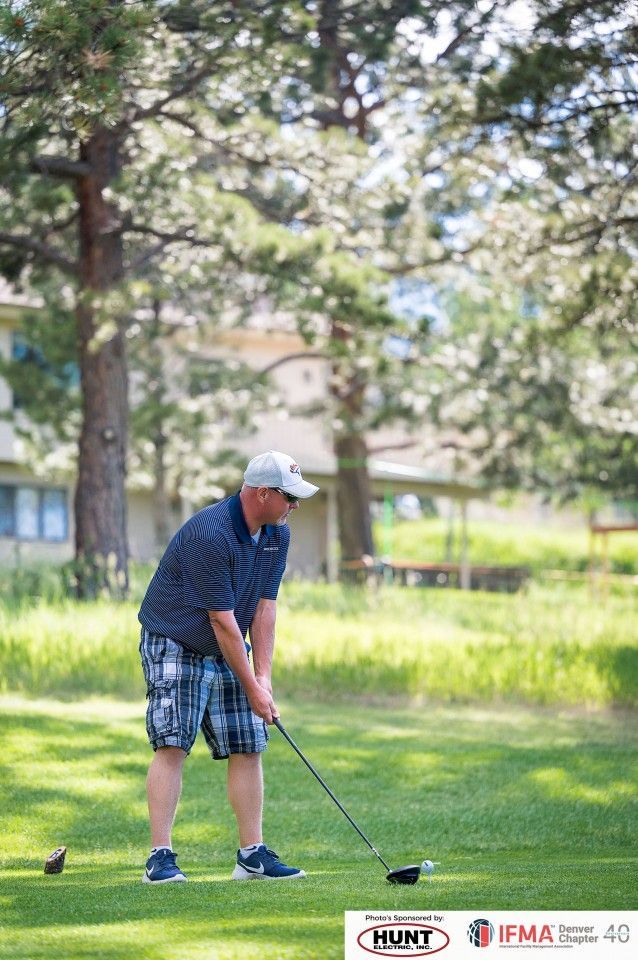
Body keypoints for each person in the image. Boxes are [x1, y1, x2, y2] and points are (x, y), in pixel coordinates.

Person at [137, 450, 319, 883]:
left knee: (249, 743)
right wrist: (253, 686)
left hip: (228, 640)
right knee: (173, 743)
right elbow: (219, 619)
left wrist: (263, 678)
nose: (295, 506)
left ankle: (251, 855)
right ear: (261, 494)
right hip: (176, 639)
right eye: (289, 497)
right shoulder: (211, 534)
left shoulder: (277, 533)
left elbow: (264, 606)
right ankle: (159, 859)